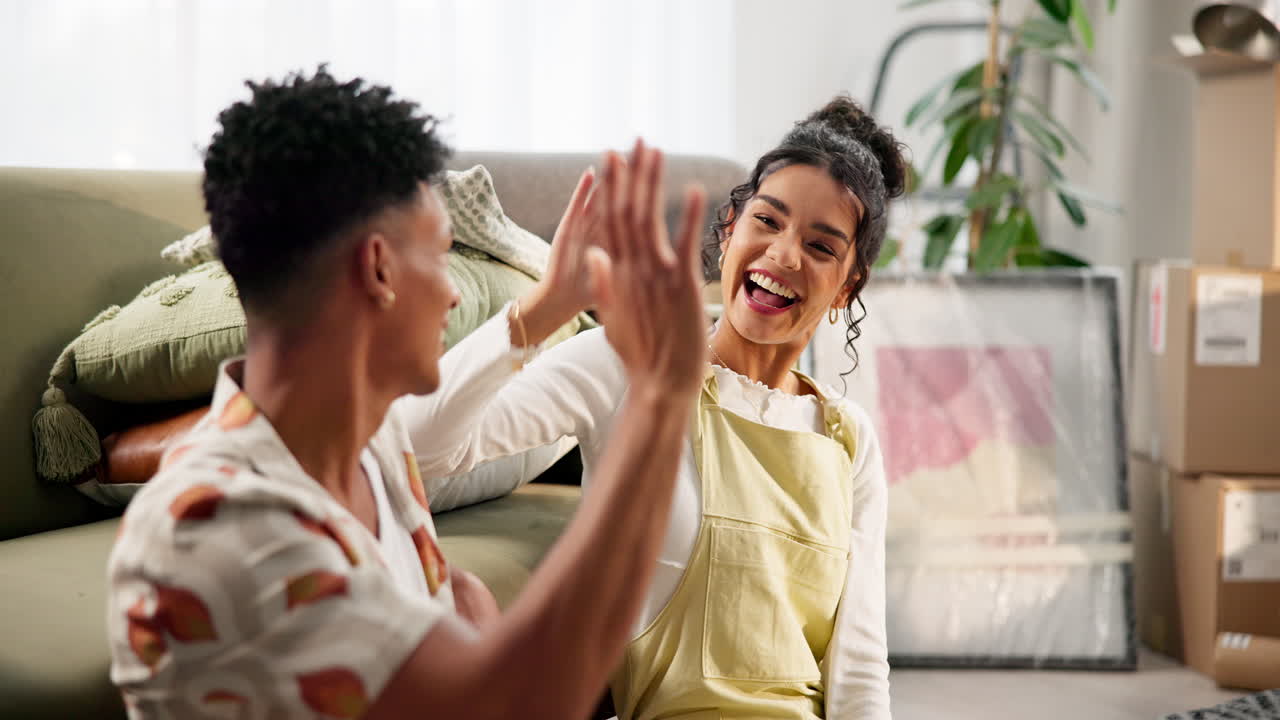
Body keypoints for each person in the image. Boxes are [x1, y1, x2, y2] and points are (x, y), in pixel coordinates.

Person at [105, 66, 709, 720]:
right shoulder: (216, 526)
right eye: (442, 254)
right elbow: (519, 700)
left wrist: (550, 304)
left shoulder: (372, 443)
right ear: (378, 268)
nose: (453, 294)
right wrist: (659, 398)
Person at [400, 96, 907, 719]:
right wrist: (543, 308)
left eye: (821, 247)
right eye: (767, 221)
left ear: (848, 287)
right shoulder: (626, 365)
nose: (783, 254)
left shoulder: (847, 439)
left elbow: (859, 671)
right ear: (729, 230)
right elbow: (416, 448)